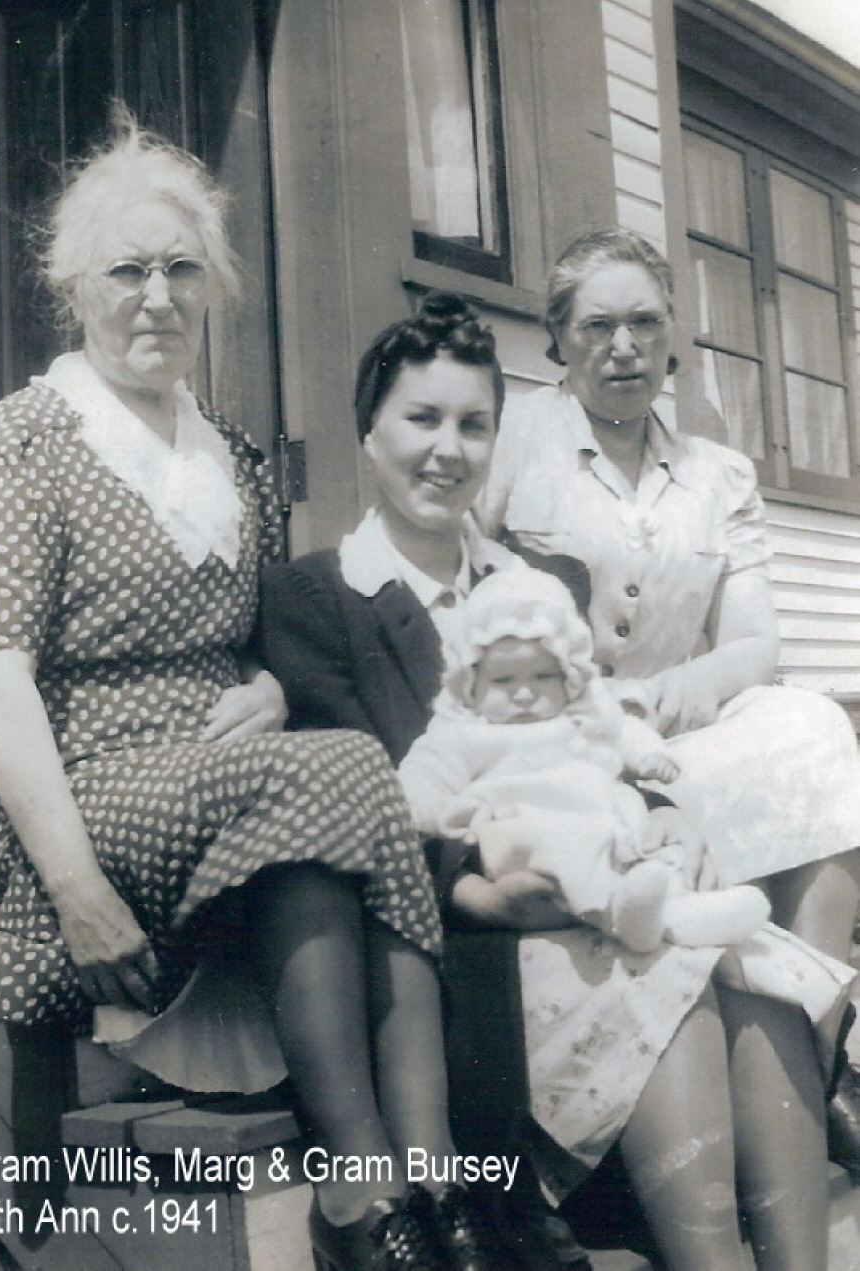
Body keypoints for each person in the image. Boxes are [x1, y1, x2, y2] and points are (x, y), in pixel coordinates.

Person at [0, 115, 510, 1271]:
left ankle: (431, 1184)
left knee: (338, 765)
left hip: (222, 778)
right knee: (335, 766)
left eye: (179, 268)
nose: (155, 296)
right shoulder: (25, 439)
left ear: (212, 287)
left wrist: (259, 682)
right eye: (127, 269)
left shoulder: (230, 455)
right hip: (83, 787)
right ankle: (361, 1189)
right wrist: (73, 885)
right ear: (74, 289)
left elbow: (254, 634)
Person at [260, 290, 856, 1271]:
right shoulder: (315, 596)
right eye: (420, 419)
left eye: (472, 423)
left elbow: (602, 724)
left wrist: (663, 814)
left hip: (609, 887)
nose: (445, 449)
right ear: (368, 432)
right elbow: (366, 812)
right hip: (463, 933)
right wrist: (516, 881)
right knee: (680, 975)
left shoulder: (542, 581)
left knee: (759, 972)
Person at [477, 227, 860, 1176]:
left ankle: (815, 1051)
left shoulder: (718, 473)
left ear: (673, 338)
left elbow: (757, 643)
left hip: (671, 734)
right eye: (598, 325)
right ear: (556, 338)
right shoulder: (512, 437)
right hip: (553, 739)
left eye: (646, 323)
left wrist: (664, 696)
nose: (624, 347)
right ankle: (815, 1083)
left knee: (813, 724)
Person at [397, 566, 771, 953]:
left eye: (542, 677)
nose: (524, 694)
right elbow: (425, 774)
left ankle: (679, 912)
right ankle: (621, 916)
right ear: (471, 682)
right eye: (504, 681)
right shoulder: (464, 732)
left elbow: (622, 730)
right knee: (559, 847)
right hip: (528, 829)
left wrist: (648, 756)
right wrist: (425, 808)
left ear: (568, 677)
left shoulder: (581, 715)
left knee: (658, 844)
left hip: (604, 820)